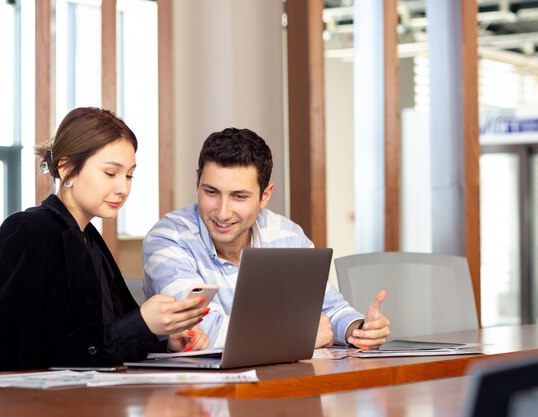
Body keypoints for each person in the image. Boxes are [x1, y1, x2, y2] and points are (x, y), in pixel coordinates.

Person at [0, 107, 209, 373]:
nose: (123, 188)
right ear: (66, 168)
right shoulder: (29, 231)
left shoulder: (89, 239)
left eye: (129, 175)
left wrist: (165, 344)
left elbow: (105, 342)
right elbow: (34, 353)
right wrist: (142, 323)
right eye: (111, 173)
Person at [142, 127, 390, 349]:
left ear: (265, 195)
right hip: (196, 391)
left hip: (280, 384)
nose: (222, 212)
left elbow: (329, 310)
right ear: (197, 181)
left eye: (239, 196)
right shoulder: (168, 238)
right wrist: (297, 335)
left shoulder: (287, 236)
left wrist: (358, 329)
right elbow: (203, 331)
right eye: (211, 192)